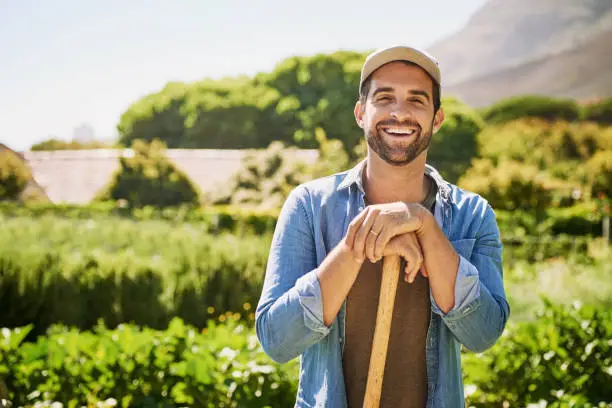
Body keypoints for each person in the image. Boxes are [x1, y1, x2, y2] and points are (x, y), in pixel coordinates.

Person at [255, 45, 510, 407]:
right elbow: (277, 340)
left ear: (437, 118)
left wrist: (422, 223)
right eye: (385, 97)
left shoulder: (473, 214)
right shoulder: (310, 206)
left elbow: (483, 334)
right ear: (361, 113)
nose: (399, 112)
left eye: (417, 100)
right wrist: (357, 246)